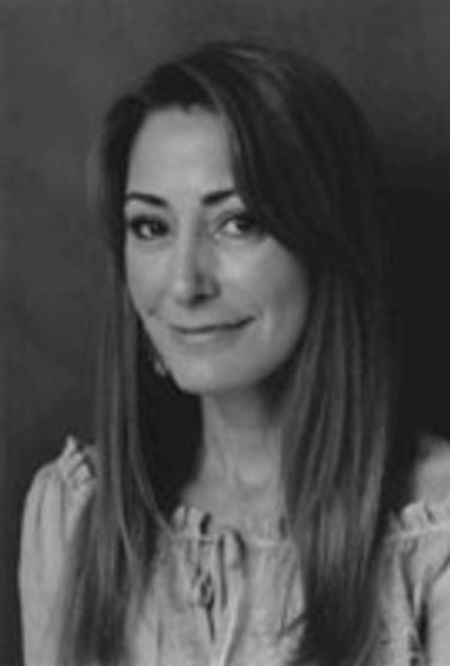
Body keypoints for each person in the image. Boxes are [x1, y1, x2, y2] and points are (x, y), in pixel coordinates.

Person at [19, 41, 450, 666]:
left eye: (238, 223)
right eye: (151, 227)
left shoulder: (435, 536)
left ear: (326, 240)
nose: (184, 284)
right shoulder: (76, 516)